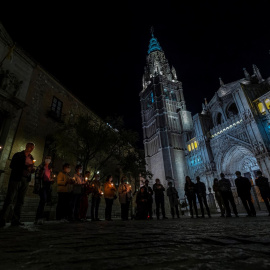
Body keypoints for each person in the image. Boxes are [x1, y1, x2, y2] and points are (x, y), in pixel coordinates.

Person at [0, 142, 36, 227]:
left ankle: (15, 220)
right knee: (10, 198)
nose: (31, 149)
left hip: (26, 180)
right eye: (30, 147)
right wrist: (24, 168)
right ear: (26, 146)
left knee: (20, 200)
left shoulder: (31, 157)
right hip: (16, 178)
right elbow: (12, 165)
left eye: (32, 148)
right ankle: (2, 219)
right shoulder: (18, 155)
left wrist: (32, 170)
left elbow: (30, 168)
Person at [34, 155, 54, 225]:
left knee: (44, 201)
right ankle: (38, 218)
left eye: (49, 159)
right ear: (44, 159)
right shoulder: (41, 167)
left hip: (47, 186)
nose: (48, 160)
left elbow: (51, 177)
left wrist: (51, 180)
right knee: (43, 200)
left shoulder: (50, 168)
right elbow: (37, 175)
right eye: (47, 158)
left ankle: (40, 218)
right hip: (42, 185)